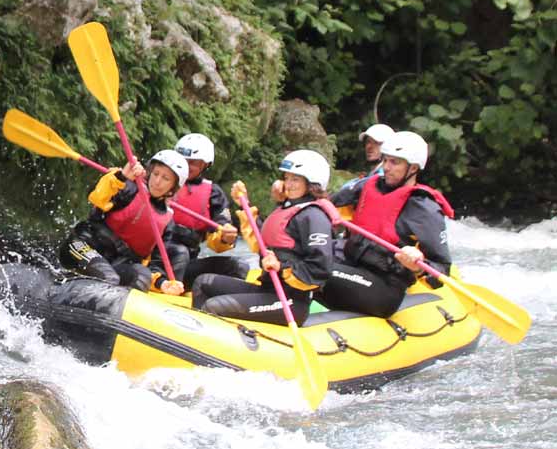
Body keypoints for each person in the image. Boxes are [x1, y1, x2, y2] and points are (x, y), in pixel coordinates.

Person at [320, 131, 454, 318]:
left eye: (395, 162)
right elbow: (322, 207)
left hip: (382, 288)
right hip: (350, 268)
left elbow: (442, 268)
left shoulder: (423, 208)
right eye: (385, 160)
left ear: (413, 168)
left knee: (315, 268)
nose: (386, 167)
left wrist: (417, 265)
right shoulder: (366, 186)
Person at [191, 150, 334, 326]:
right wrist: (244, 204)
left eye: (295, 179)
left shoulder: (314, 216)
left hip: (291, 302)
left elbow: (320, 267)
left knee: (213, 306)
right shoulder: (287, 209)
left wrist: (282, 268)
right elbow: (261, 241)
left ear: (313, 183)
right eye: (287, 178)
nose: (288, 184)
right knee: (202, 283)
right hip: (267, 289)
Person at [59, 150, 188, 295]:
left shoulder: (167, 222)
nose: (157, 181)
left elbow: (155, 266)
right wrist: (122, 177)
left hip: (116, 262)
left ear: (173, 187)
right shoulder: (128, 187)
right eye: (156, 173)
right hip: (83, 246)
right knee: (109, 277)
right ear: (150, 172)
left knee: (142, 275)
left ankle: (115, 312)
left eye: (165, 178)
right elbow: (97, 198)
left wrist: (161, 283)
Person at [168, 133, 250, 289]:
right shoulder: (160, 180)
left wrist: (226, 238)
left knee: (239, 266)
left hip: (186, 265)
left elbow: (216, 243)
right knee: (180, 252)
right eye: (182, 160)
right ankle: (166, 293)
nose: (186, 165)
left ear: (205, 165)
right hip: (155, 260)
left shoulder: (213, 193)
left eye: (192, 162)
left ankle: (225, 306)